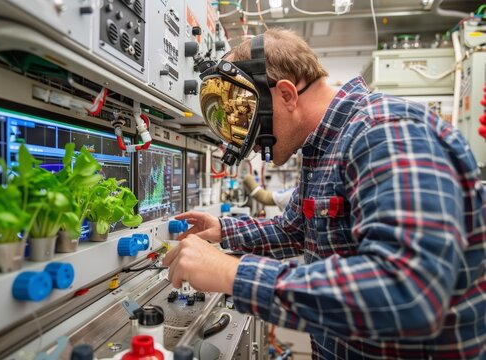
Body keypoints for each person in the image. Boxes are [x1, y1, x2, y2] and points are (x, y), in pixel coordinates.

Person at [162, 28, 486, 359]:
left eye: (245, 117)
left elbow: (409, 292)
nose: (249, 139)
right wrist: (222, 230)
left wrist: (232, 273)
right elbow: (295, 229)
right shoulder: (327, 145)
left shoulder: (384, 131)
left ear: (287, 94)